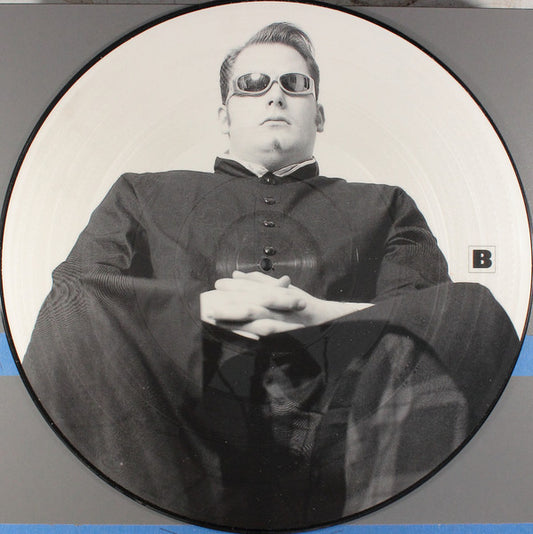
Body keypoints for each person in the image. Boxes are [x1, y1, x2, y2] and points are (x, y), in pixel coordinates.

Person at [23, 22, 519, 530]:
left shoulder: (388, 204)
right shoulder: (140, 192)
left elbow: (424, 315)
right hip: (174, 422)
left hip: (345, 420)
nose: (275, 95)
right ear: (225, 115)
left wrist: (320, 313)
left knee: (471, 309)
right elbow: (78, 290)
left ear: (318, 113)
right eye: (253, 84)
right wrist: (199, 306)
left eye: (295, 84)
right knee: (75, 307)